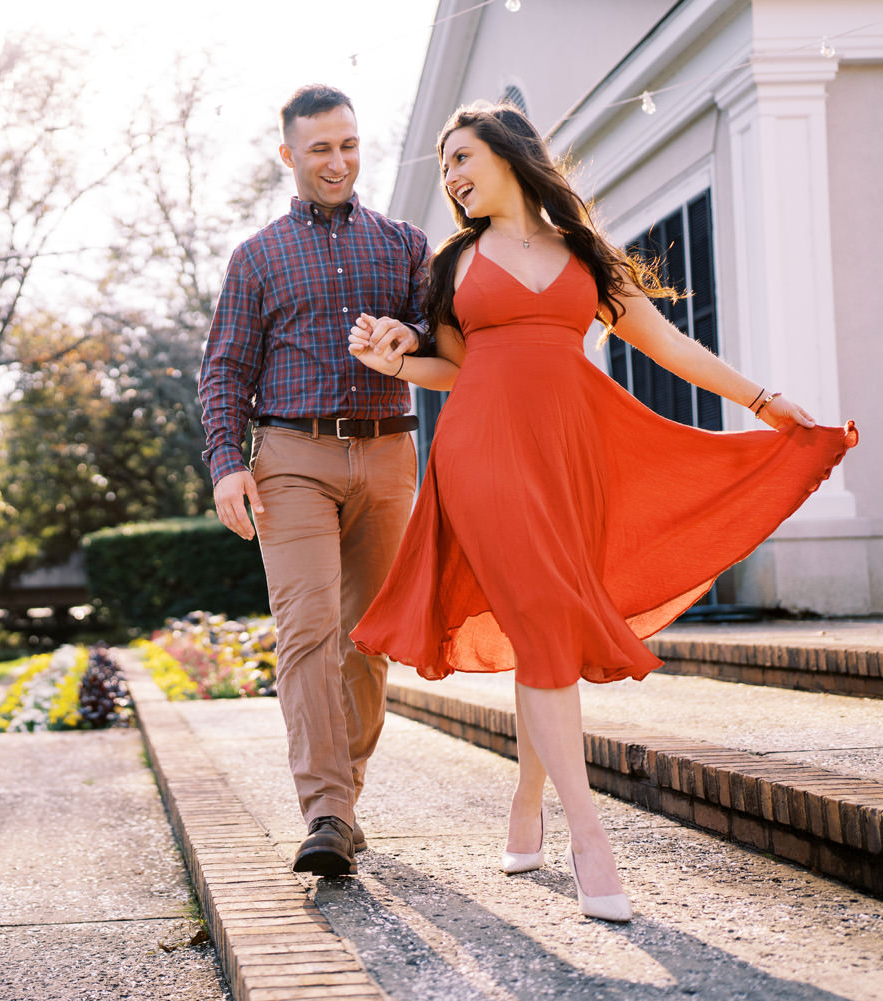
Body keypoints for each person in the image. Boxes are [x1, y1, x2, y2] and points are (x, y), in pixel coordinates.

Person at [346, 102, 857, 921]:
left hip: (571, 458)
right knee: (546, 620)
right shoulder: (453, 263)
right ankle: (591, 838)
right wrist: (396, 360)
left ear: (510, 154)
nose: (451, 176)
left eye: (461, 157)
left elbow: (666, 344)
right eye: (444, 166)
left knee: (546, 633)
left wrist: (763, 400)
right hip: (483, 459)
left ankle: (525, 797)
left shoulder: (585, 253)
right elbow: (454, 369)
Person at [198, 84, 433, 877]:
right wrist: (228, 465)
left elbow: (446, 329)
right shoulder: (258, 257)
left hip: (390, 455)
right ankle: (325, 809)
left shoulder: (403, 244)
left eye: (349, 144)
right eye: (321, 148)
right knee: (306, 632)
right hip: (293, 459)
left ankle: (344, 798)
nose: (338, 161)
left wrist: (414, 330)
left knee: (368, 643)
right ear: (288, 155)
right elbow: (224, 370)